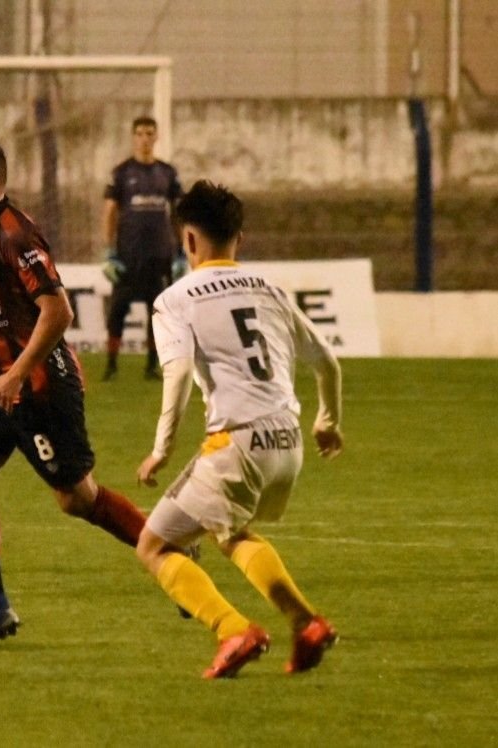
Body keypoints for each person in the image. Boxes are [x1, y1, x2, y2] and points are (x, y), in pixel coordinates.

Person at [0, 134, 147, 648]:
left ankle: (167, 550)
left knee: (77, 499)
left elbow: (58, 311)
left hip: (39, 387)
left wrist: (16, 373)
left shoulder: (17, 236)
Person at [134, 180, 343, 679]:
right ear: (239, 239)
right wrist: (328, 420)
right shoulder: (270, 290)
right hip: (288, 441)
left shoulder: (174, 299)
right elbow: (327, 362)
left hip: (239, 442)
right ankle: (306, 623)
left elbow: (178, 373)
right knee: (227, 532)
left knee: (154, 545)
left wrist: (161, 448)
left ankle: (232, 630)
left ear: (188, 239)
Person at [101, 116, 183, 381]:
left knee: (158, 313)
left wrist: (181, 251)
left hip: (159, 256)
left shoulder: (167, 173)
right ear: (133, 137)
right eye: (140, 134)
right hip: (128, 256)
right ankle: (111, 365)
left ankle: (152, 366)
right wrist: (109, 252)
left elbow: (177, 214)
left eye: (149, 133)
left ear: (156, 137)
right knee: (117, 311)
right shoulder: (121, 172)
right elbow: (110, 212)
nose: (145, 139)